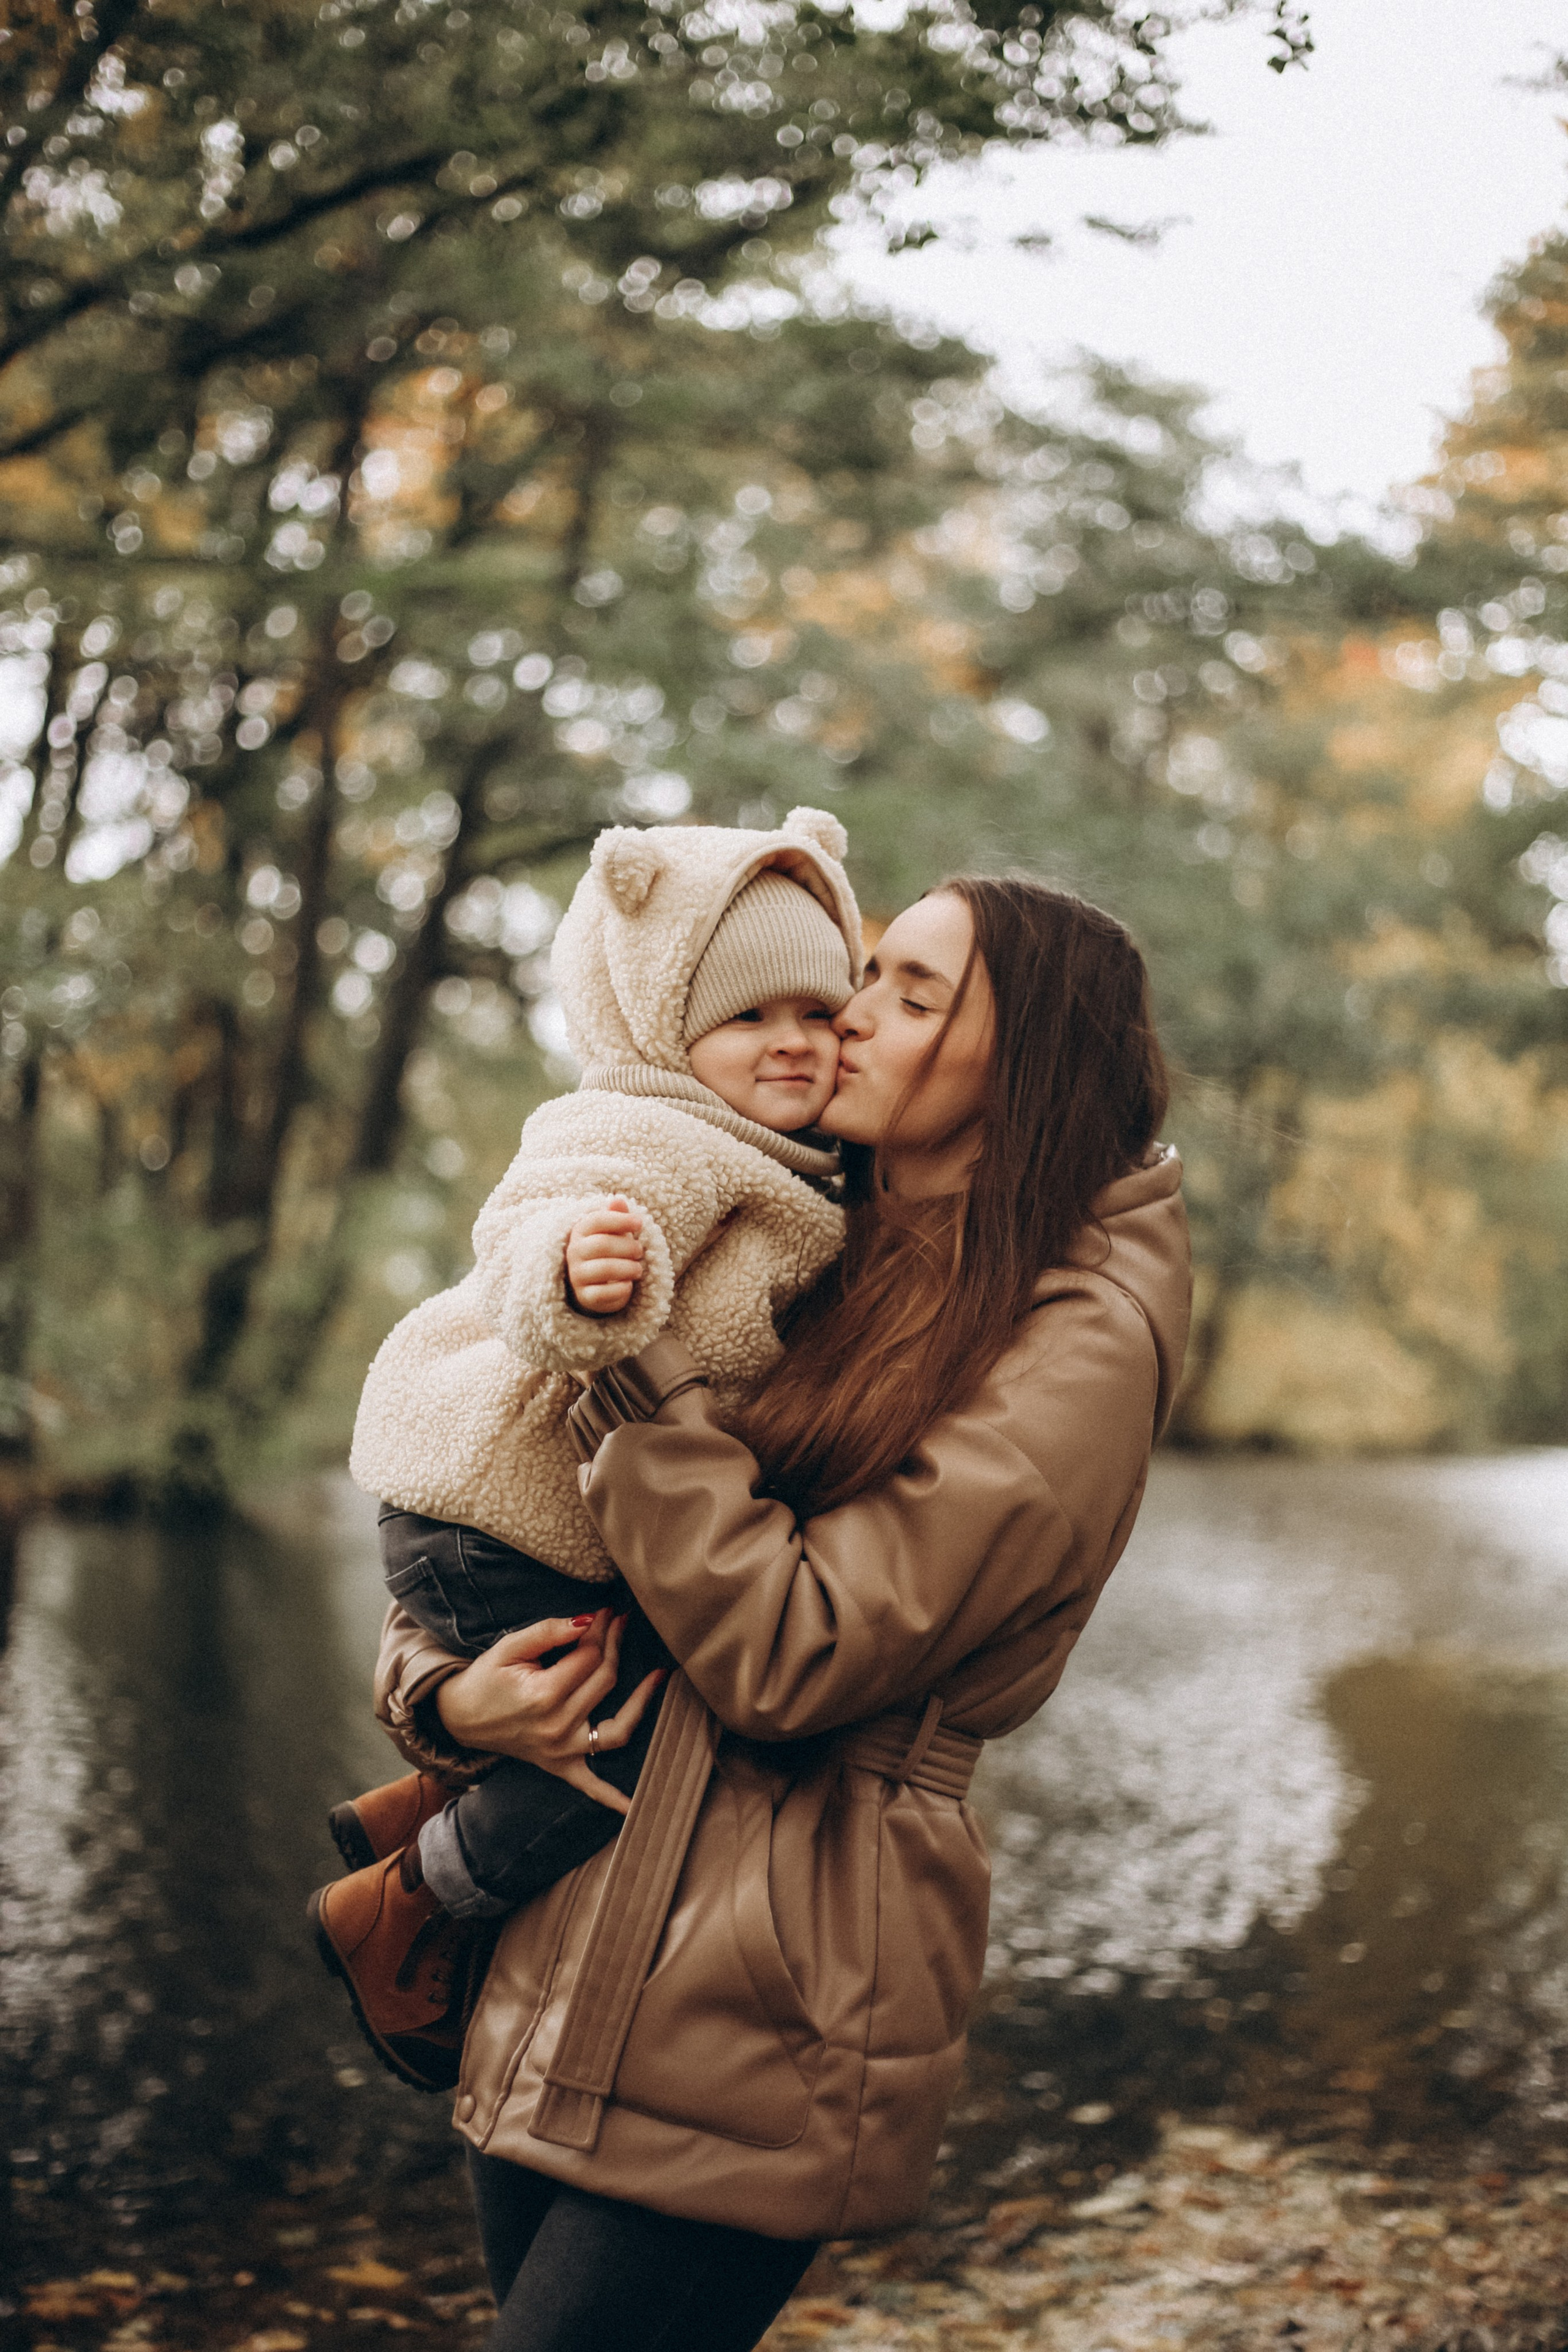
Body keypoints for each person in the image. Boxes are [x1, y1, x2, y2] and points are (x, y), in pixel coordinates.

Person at [372, 875, 1192, 2352]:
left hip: (766, 2001)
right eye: (868, 973)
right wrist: (446, 1697)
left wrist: (635, 1380)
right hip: (569, 1945)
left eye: (913, 996)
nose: (849, 1018)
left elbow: (791, 1651)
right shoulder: (814, 1221)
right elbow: (494, 1484)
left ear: (1029, 1062)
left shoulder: (1078, 1335)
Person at [311, 807, 863, 2090]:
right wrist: (586, 1272)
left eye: (817, 1011)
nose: (792, 1040)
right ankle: (407, 1908)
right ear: (664, 1025)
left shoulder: (801, 1159)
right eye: (748, 1018)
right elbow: (534, 1227)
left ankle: (427, 1804)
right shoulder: (637, 1131)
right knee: (628, 1738)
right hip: (490, 1501)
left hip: (575, 1508)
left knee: (642, 1696)